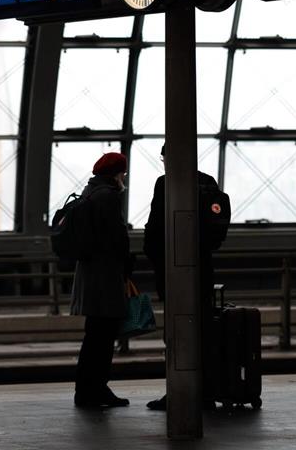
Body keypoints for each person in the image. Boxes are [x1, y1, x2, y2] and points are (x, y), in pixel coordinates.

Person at [142, 144, 223, 411]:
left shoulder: (164, 183)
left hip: (172, 269)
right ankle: (208, 390)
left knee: (176, 332)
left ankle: (179, 391)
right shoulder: (208, 182)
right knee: (204, 330)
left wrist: (154, 258)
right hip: (202, 269)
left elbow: (155, 227)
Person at [71, 151, 132, 408]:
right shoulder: (108, 196)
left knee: (94, 335)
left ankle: (88, 389)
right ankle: (94, 390)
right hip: (105, 276)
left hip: (89, 273)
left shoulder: (89, 192)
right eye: (123, 173)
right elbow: (116, 237)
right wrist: (128, 263)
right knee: (103, 337)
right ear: (117, 173)